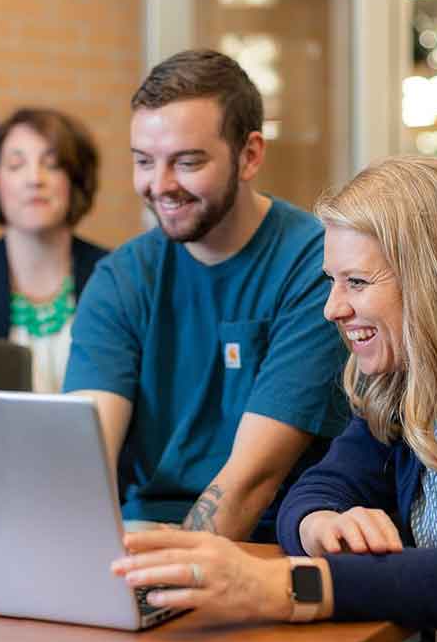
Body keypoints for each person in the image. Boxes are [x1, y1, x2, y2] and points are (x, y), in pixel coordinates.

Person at [111, 155, 437, 642]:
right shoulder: (403, 376)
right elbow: (317, 488)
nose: (332, 308)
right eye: (332, 280)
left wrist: (280, 585)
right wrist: (322, 523)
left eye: (356, 282)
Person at [64, 49, 348, 543]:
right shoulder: (121, 278)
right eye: (143, 162)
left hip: (267, 540)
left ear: (250, 155)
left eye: (188, 162)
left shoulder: (316, 267)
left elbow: (250, 482)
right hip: (139, 534)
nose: (160, 185)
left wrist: (179, 570)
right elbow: (82, 460)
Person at [0, 107, 109, 393]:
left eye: (52, 164)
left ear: (75, 180)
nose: (35, 179)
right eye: (16, 165)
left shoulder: (118, 276)